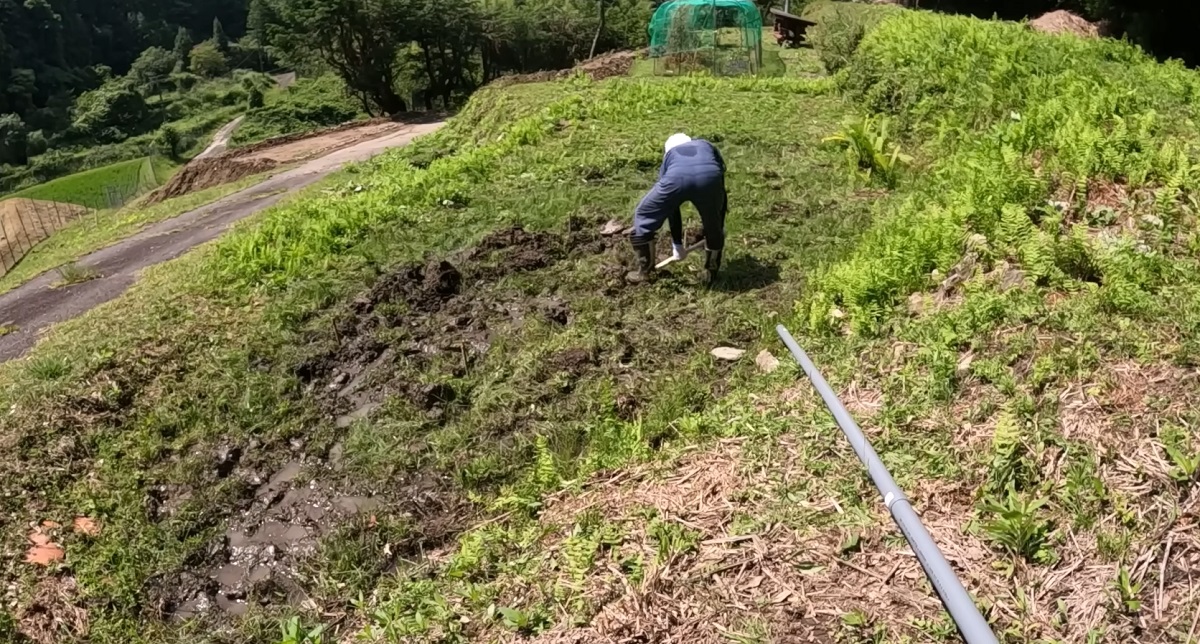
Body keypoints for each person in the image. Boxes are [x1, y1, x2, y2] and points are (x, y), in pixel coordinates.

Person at [627, 133, 727, 284]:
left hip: (676, 179)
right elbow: (720, 182)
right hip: (710, 178)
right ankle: (710, 273)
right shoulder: (706, 145)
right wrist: (718, 226)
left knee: (644, 214)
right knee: (713, 224)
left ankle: (645, 273)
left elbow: (670, 208)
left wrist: (677, 245)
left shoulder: (670, 156)